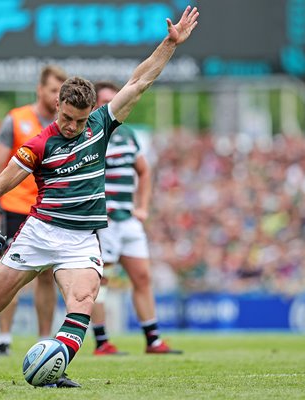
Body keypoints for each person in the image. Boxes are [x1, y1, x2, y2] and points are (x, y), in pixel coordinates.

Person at [0, 5, 199, 388]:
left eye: (80, 119)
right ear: (57, 106)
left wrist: (169, 44)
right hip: (41, 232)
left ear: (91, 111)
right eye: (66, 118)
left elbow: (140, 81)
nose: (73, 127)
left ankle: (53, 370)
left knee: (83, 301)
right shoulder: (39, 145)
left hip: (80, 240)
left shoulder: (101, 124)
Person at [0, 65, 68, 356]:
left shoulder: (66, 122)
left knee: (46, 275)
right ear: (39, 89)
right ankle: (4, 338)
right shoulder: (16, 120)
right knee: (9, 270)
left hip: (48, 207)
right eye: (53, 90)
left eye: (61, 91)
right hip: (14, 206)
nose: (57, 96)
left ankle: (44, 339)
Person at [91, 82, 182, 355]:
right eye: (103, 101)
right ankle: (101, 341)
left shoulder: (129, 134)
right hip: (104, 222)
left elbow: (144, 171)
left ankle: (152, 340)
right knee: (102, 281)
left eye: (113, 99)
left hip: (128, 219)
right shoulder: (92, 135)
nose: (110, 105)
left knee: (142, 277)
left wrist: (142, 206)